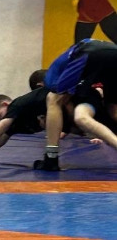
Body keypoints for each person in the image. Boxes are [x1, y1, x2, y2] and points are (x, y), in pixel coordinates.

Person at [0, 85, 109, 168]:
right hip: (72, 113)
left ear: (6, 105)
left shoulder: (16, 106)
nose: (0, 123)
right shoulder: (16, 121)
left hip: (81, 99)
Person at [38, 38, 117, 171]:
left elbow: (61, 96)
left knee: (53, 98)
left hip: (90, 53)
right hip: (110, 52)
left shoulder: (50, 79)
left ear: (39, 85)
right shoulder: (79, 72)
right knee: (113, 108)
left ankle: (51, 157)